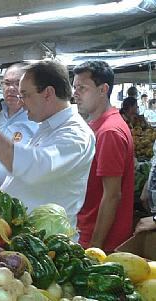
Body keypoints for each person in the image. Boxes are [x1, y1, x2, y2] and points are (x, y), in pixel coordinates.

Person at [0, 60, 95, 233]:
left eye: (26, 94)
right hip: (22, 235)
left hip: (45, 244)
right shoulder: (47, 127)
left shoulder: (76, 134)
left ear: (48, 93)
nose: (22, 101)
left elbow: (36, 167)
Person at [73, 61, 134, 251]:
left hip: (100, 241)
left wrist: (95, 247)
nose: (75, 93)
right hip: (86, 231)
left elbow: (112, 195)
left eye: (82, 88)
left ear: (103, 89)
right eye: (74, 87)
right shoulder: (97, 126)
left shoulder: (109, 132)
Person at [0, 63, 39, 188]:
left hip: (17, 197)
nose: (11, 88)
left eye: (17, 83)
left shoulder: (36, 119)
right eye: (7, 83)